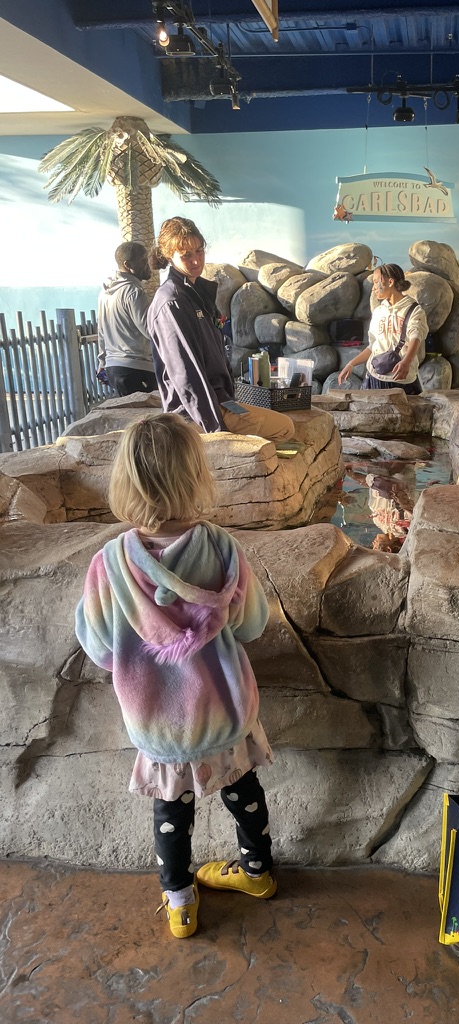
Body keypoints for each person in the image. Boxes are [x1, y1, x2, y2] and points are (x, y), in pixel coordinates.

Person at [75, 413, 278, 939]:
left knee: (172, 807)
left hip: (159, 723)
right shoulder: (224, 550)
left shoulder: (110, 563)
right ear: (195, 477)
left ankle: (180, 902)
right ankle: (257, 873)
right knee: (242, 787)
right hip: (225, 714)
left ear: (125, 481)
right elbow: (253, 625)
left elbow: (98, 647)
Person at [147, 216, 294, 441]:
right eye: (186, 255)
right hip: (196, 413)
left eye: (199, 251)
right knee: (284, 428)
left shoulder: (197, 293)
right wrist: (216, 430)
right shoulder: (172, 302)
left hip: (221, 400)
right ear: (169, 256)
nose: (196, 260)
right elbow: (185, 372)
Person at [338, 262, 428, 394]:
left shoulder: (414, 310)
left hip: (402, 379)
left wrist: (407, 361)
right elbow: (373, 345)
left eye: (376, 282)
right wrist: (351, 364)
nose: (373, 287)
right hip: (375, 377)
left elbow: (416, 336)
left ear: (390, 282)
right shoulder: (379, 312)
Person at [96, 242, 157, 396]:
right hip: (137, 368)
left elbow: (101, 331)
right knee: (149, 417)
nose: (148, 264)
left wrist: (103, 362)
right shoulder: (134, 292)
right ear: (128, 264)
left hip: (114, 368)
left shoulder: (105, 293)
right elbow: (150, 331)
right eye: (143, 260)